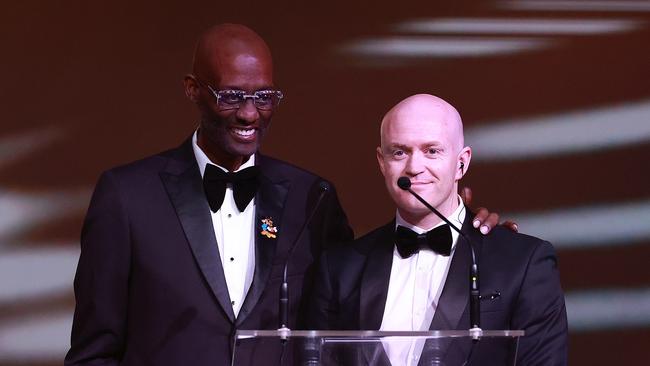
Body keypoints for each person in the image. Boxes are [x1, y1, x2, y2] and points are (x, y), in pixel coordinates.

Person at [65, 25, 503, 365]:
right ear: (193, 89)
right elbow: (92, 352)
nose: (250, 113)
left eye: (264, 97)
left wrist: (462, 224)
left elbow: (360, 296)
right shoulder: (127, 196)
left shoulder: (310, 198)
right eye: (232, 95)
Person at [309, 94, 568, 365]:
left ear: (461, 163)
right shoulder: (341, 268)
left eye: (432, 151)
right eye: (399, 152)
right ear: (381, 162)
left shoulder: (524, 262)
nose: (414, 167)